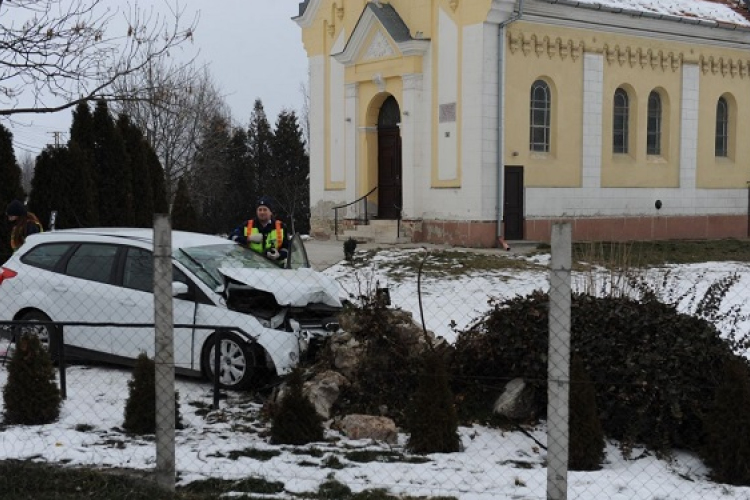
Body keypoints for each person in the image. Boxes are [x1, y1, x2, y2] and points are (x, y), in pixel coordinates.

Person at [229, 196, 289, 265]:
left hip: (275, 267)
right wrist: (248, 238)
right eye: (260, 210)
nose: (262, 212)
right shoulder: (247, 225)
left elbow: (288, 248)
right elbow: (232, 237)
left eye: (265, 209)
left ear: (270, 212)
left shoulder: (281, 227)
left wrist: (279, 255)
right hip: (251, 267)